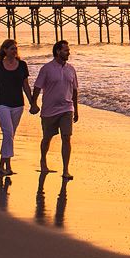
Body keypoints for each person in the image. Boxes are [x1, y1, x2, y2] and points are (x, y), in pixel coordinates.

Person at [0, 39, 37, 177]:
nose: (15, 51)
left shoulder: (22, 65)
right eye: (12, 48)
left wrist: (32, 103)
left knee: (10, 135)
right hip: (1, 104)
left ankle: (2, 165)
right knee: (8, 133)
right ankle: (7, 165)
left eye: (16, 49)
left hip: (18, 104)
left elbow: (25, 85)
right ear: (5, 50)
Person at [32, 39, 79, 179]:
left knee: (66, 137)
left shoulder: (71, 69)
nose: (68, 53)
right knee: (47, 138)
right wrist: (33, 103)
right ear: (58, 51)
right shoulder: (46, 69)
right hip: (49, 109)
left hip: (67, 108)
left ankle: (65, 170)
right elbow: (37, 87)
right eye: (66, 50)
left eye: (68, 50)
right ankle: (43, 160)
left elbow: (75, 90)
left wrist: (76, 110)